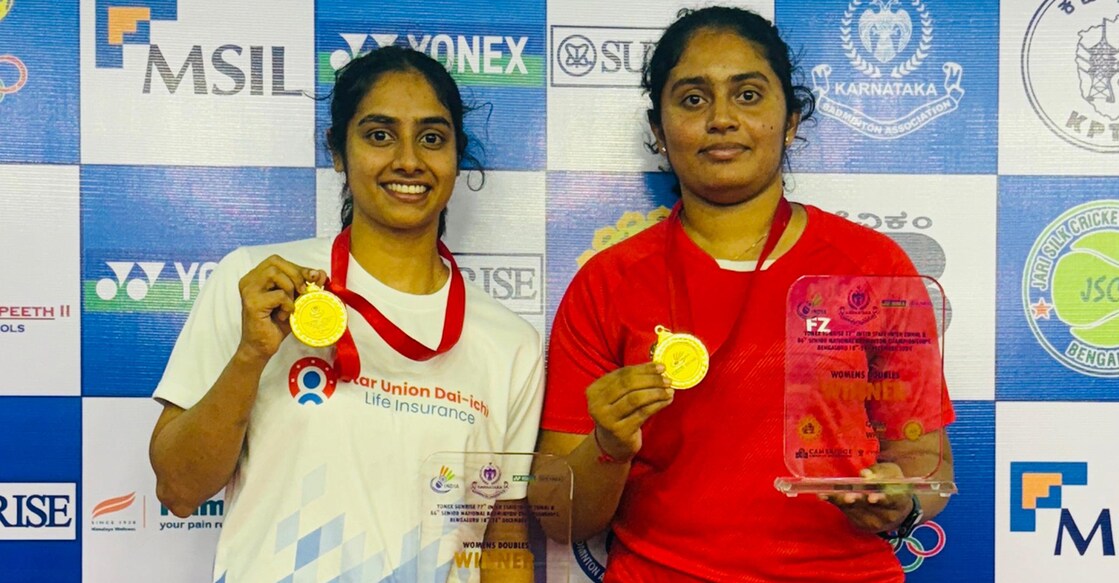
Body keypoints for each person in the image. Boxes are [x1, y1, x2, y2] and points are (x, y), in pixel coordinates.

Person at [536, 7, 955, 582]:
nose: (722, 119)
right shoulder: (607, 282)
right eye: (692, 99)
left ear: (792, 120)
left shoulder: (873, 267)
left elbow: (925, 467)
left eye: (749, 94)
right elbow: (560, 519)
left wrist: (900, 501)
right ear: (658, 131)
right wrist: (609, 444)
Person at [149, 46, 544, 582]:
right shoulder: (260, 286)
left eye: (432, 137)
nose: (409, 159)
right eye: (379, 134)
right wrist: (251, 355)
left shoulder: (509, 342)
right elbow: (178, 488)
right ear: (337, 151)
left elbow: (504, 537)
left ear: (456, 155)